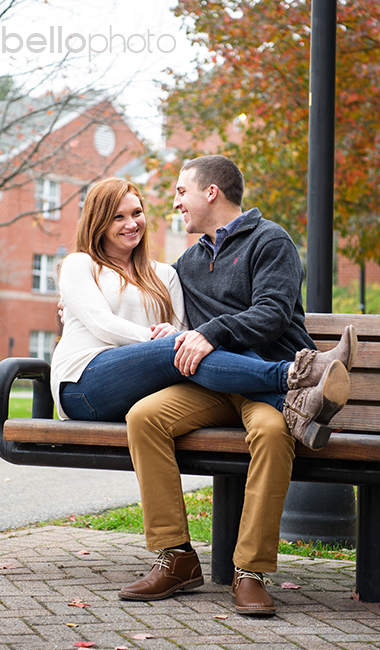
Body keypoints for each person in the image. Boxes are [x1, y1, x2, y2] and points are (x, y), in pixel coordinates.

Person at [113, 155, 344, 615]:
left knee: (274, 432)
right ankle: (176, 556)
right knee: (144, 417)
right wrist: (167, 329)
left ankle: (250, 571)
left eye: (182, 191)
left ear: (210, 192)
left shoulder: (270, 239)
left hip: (268, 380)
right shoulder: (188, 260)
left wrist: (209, 333)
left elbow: (273, 312)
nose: (175, 202)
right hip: (214, 383)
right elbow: (157, 302)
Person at [51, 177, 354, 451]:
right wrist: (159, 339)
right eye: (118, 217)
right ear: (99, 223)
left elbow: (184, 331)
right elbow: (102, 324)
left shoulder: (166, 274)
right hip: (83, 383)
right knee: (182, 346)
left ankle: (295, 408)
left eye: (136, 213)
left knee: (189, 348)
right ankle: (297, 373)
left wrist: (177, 338)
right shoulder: (80, 264)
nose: (131, 224)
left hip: (142, 385)